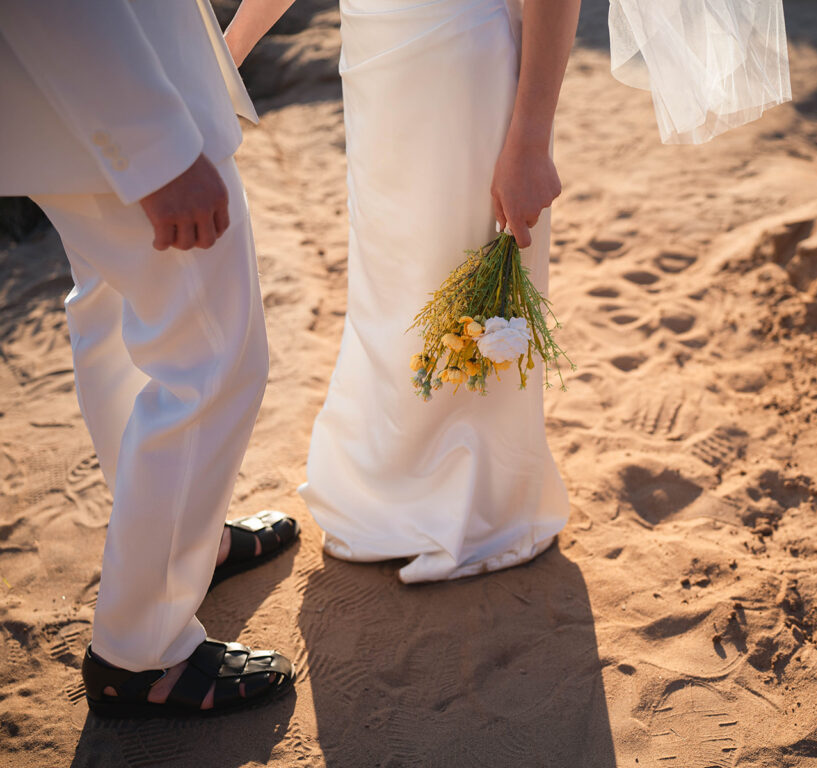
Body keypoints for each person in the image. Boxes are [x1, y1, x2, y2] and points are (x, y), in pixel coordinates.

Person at [0, 0, 300, 717]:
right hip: (126, 120)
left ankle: (187, 546)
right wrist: (156, 151)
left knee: (115, 318)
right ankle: (144, 650)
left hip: (72, 120)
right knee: (212, 364)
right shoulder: (149, 145)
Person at [225, 0, 580, 583]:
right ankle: (386, 489)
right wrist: (229, 53)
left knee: (457, 283)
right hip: (377, 67)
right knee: (391, 284)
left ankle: (477, 502)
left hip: (463, 67)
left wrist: (530, 140)